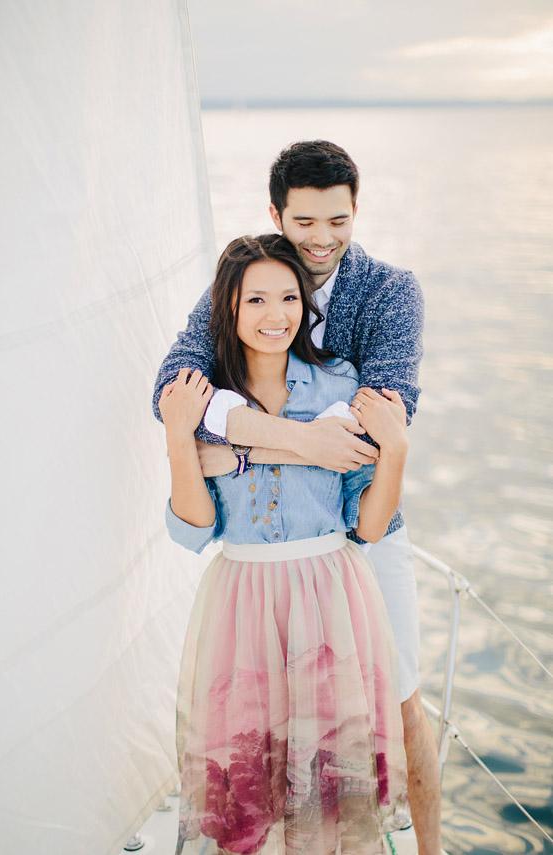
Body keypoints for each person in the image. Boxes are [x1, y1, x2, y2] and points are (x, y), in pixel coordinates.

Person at [153, 141, 441, 854]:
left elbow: (379, 422)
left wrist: (244, 447)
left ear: (355, 210)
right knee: (263, 726)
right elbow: (172, 387)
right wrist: (295, 440)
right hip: (256, 560)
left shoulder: (388, 290)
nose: (321, 238)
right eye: (305, 220)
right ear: (278, 213)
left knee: (397, 701)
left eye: (337, 220)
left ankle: (431, 849)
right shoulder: (256, 276)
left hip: (359, 528)